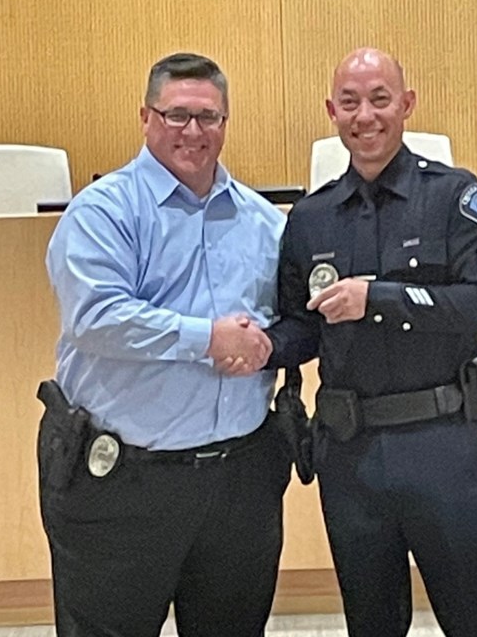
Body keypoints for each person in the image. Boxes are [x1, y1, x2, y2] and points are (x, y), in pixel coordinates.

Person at [38, 52, 291, 637]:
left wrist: (266, 345)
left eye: (209, 118)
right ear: (146, 117)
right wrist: (209, 340)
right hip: (123, 486)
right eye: (177, 115)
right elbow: (97, 315)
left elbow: (286, 324)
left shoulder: (264, 222)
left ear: (226, 123)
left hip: (239, 485)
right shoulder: (102, 213)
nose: (194, 132)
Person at [264, 48, 477, 637]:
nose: (365, 116)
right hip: (351, 455)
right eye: (349, 102)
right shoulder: (310, 218)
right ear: (331, 111)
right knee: (371, 623)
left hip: (444, 443)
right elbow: (302, 329)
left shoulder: (452, 196)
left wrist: (379, 298)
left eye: (379, 99)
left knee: (474, 620)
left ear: (406, 105)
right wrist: (258, 347)